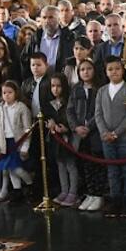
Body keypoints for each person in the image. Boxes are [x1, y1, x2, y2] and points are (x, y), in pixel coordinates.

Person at [96, 56, 126, 218]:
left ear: (123, 70)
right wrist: (104, 132)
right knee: (112, 171)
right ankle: (115, 201)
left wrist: (116, 133)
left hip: (125, 138)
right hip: (106, 138)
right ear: (106, 72)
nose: (114, 72)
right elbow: (98, 114)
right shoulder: (102, 91)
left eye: (117, 68)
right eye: (110, 69)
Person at [69, 58, 106, 212]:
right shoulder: (76, 89)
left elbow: (100, 111)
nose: (85, 72)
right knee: (84, 164)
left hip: (95, 133)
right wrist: (76, 127)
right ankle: (89, 193)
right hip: (79, 134)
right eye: (82, 69)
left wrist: (88, 126)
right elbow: (70, 110)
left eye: (88, 69)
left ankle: (99, 194)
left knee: (97, 164)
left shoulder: (100, 89)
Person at [0, 80, 31, 203]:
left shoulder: (22, 108)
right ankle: (17, 191)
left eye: (10, 92)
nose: (7, 95)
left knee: (16, 168)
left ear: (16, 93)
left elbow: (27, 129)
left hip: (17, 143)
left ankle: (29, 183)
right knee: (10, 168)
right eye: (4, 93)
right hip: (4, 143)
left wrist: (25, 146)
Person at [44, 73, 78, 207]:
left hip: (68, 139)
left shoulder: (69, 101)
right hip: (55, 139)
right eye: (53, 86)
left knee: (70, 165)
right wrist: (50, 124)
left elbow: (72, 118)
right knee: (60, 164)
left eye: (59, 86)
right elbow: (47, 117)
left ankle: (73, 192)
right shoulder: (49, 103)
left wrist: (66, 128)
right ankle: (64, 190)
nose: (55, 89)